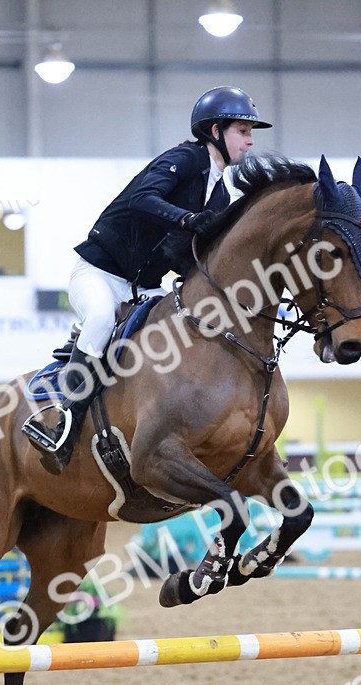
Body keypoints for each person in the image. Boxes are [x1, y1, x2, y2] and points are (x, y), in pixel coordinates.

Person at [23, 85, 272, 473]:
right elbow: (143, 197)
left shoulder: (220, 195)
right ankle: (64, 421)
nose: (250, 141)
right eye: (243, 130)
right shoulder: (184, 159)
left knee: (181, 336)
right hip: (100, 274)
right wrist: (188, 219)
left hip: (146, 289)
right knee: (103, 318)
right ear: (215, 131)